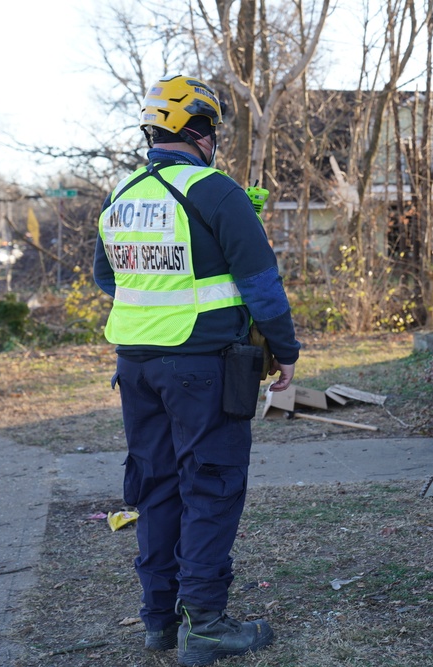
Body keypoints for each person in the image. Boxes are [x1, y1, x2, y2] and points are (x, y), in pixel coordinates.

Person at [93, 74, 300, 666]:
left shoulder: (121, 194)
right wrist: (284, 350)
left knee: (156, 486)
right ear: (201, 132)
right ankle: (205, 623)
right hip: (202, 367)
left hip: (135, 367)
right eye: (213, 131)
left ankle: (159, 619)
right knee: (209, 484)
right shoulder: (215, 192)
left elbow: (111, 279)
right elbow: (262, 285)